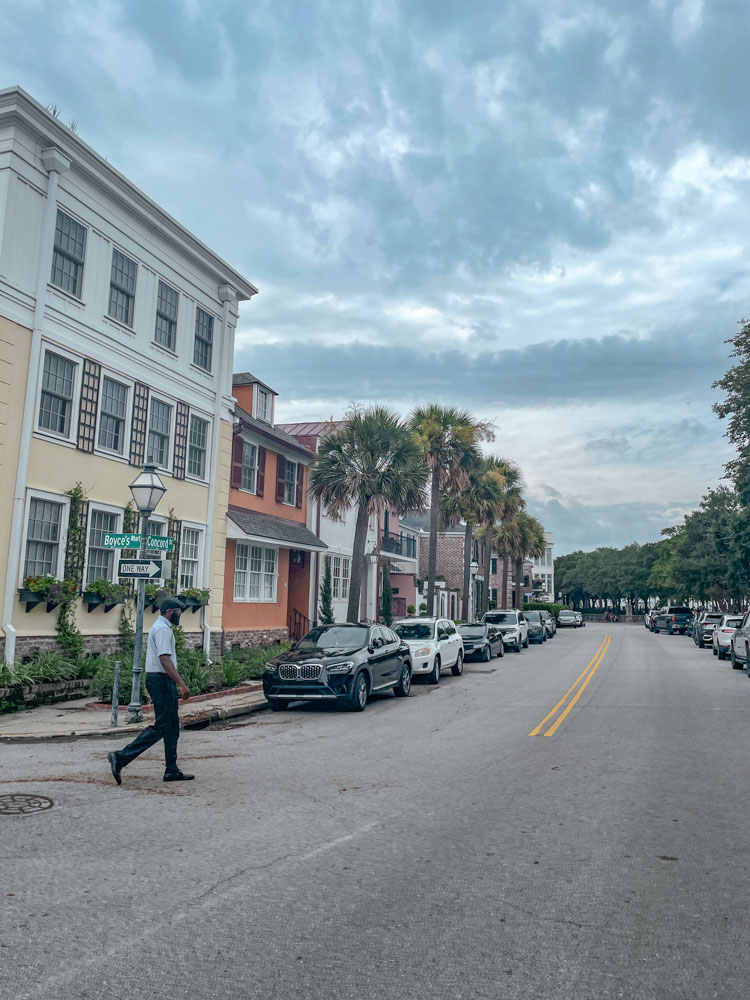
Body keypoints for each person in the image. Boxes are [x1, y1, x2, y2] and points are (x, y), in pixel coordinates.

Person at [108, 597, 194, 784]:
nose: (180, 615)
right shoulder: (163, 629)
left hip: (159, 680)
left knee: (171, 727)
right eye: (179, 611)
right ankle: (121, 757)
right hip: (162, 680)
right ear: (170, 611)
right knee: (163, 725)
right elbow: (165, 660)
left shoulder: (162, 626)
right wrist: (181, 684)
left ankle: (171, 770)